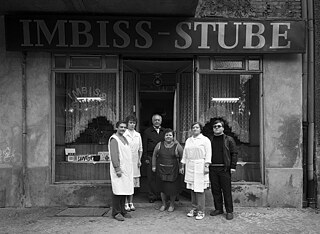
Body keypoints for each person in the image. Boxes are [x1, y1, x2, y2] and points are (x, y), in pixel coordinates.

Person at [180, 122, 212, 220]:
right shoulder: (189, 140)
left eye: (197, 127)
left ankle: (201, 211)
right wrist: (182, 165)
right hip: (190, 165)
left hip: (200, 166)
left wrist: (207, 165)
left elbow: (208, 153)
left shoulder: (205, 140)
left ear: (200, 129)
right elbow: (185, 153)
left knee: (199, 189)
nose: (195, 129)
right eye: (193, 127)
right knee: (192, 189)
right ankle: (194, 208)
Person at [209, 119, 238, 220]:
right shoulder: (210, 139)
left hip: (224, 169)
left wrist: (233, 166)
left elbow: (234, 153)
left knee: (226, 191)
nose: (216, 128)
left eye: (218, 126)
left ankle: (229, 211)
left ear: (223, 128)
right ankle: (218, 209)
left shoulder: (228, 139)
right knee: (215, 190)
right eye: (214, 127)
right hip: (213, 168)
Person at [151, 128, 183, 212]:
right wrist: (154, 166)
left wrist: (181, 167)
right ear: (164, 136)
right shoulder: (159, 145)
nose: (168, 137)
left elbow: (182, 157)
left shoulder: (177, 146)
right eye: (166, 135)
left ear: (173, 137)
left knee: (172, 189)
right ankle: (164, 204)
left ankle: (172, 205)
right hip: (161, 169)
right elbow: (154, 155)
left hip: (173, 170)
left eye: (170, 135)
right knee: (162, 188)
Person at [109, 120, 134, 221]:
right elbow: (114, 155)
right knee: (118, 191)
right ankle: (116, 212)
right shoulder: (114, 139)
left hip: (126, 169)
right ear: (116, 128)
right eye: (121, 127)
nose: (123, 129)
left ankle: (123, 210)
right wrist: (117, 168)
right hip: (119, 169)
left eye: (124, 127)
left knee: (124, 190)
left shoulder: (124, 138)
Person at [142, 114, 165, 203]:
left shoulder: (164, 131)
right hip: (150, 157)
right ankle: (152, 196)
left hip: (162, 157)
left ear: (161, 121)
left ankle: (160, 195)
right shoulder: (147, 131)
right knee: (151, 177)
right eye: (155, 120)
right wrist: (145, 158)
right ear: (152, 121)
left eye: (158, 120)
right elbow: (144, 145)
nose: (157, 121)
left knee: (160, 177)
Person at [123, 115, 143, 212]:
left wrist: (139, 160)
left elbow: (140, 149)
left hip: (135, 161)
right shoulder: (123, 134)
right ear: (127, 124)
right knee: (126, 182)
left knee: (132, 183)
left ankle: (131, 202)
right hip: (126, 161)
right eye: (130, 122)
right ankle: (125, 202)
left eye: (134, 123)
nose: (132, 124)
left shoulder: (138, 135)